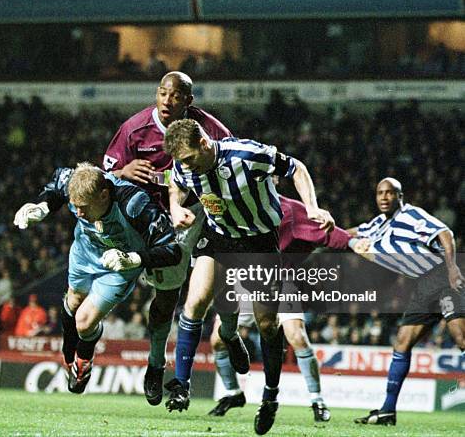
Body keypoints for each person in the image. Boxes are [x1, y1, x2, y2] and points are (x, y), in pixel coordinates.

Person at [163, 119, 334, 435]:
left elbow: (296, 168)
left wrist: (312, 207)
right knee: (196, 302)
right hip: (218, 237)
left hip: (258, 241)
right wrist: (175, 206)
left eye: (188, 159)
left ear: (203, 143)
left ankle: (270, 397)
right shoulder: (184, 164)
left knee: (267, 323)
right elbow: (176, 182)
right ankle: (182, 384)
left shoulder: (246, 154)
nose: (186, 166)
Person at [103, 71, 232, 405]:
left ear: (188, 101)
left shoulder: (210, 130)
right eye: (162, 93)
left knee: (222, 283)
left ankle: (231, 336)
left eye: (175, 95)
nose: (166, 100)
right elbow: (101, 176)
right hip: (157, 222)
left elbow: (231, 163)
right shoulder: (134, 129)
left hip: (199, 214)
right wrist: (122, 171)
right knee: (166, 297)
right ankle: (156, 363)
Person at [13, 162, 181, 394]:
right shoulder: (73, 181)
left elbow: (173, 250)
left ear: (103, 196)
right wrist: (42, 206)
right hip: (84, 252)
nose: (79, 213)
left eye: (83, 207)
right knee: (72, 301)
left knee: (83, 321)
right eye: (75, 206)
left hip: (119, 265)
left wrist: (134, 259)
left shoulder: (135, 204)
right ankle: (69, 353)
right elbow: (55, 186)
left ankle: (83, 362)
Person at [209, 187, 351, 422]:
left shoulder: (293, 210)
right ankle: (233, 393)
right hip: (245, 280)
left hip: (282, 281)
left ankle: (317, 400)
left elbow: (328, 233)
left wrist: (353, 243)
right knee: (217, 340)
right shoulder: (234, 201)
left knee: (296, 336)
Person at [350, 178, 464, 426]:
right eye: (380, 192)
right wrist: (321, 231)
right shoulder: (378, 224)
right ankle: (387, 411)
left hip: (443, 276)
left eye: (390, 193)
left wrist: (453, 267)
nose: (384, 197)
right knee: (402, 342)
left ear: (399, 196)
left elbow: (446, 233)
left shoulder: (411, 215)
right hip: (423, 285)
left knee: (461, 338)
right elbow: (351, 233)